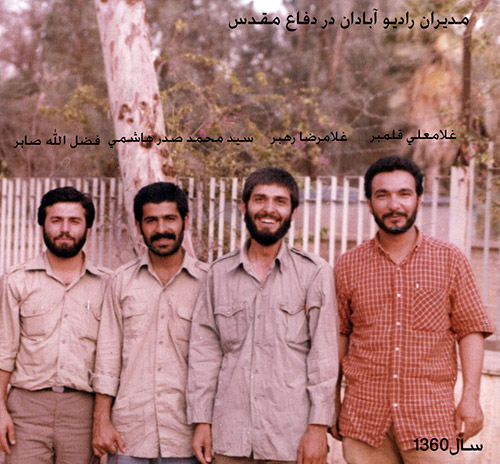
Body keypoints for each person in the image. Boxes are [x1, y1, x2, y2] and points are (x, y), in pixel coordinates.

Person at [333, 155, 494, 463]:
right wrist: (331, 402)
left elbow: (471, 328)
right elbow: (339, 336)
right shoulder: (348, 264)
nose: (394, 205)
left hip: (430, 421)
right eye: (383, 195)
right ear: (369, 202)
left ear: (419, 198)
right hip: (364, 419)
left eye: (404, 193)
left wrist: (471, 398)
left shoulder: (450, 259)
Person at [187, 167, 338, 464]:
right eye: (260, 199)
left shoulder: (314, 274)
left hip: (290, 441)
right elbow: (204, 353)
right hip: (230, 439)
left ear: (293, 212)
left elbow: (323, 358)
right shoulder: (219, 274)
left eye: (280, 201)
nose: (269, 209)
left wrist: (318, 428)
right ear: (244, 206)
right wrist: (201, 421)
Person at [92, 182, 208, 464]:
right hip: (129, 432)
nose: (161, 229)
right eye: (151, 220)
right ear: (138, 225)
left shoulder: (209, 282)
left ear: (185, 221)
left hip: (185, 434)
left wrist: (206, 423)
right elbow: (107, 355)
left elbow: (213, 360)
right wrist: (101, 420)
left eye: (170, 218)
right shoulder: (121, 281)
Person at [0, 186, 109, 464]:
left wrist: (102, 418)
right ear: (42, 225)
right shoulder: (17, 280)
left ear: (88, 227)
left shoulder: (108, 285)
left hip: (82, 413)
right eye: (56, 220)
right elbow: (4, 350)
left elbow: (111, 356)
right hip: (26, 410)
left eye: (74, 221)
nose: (65, 229)